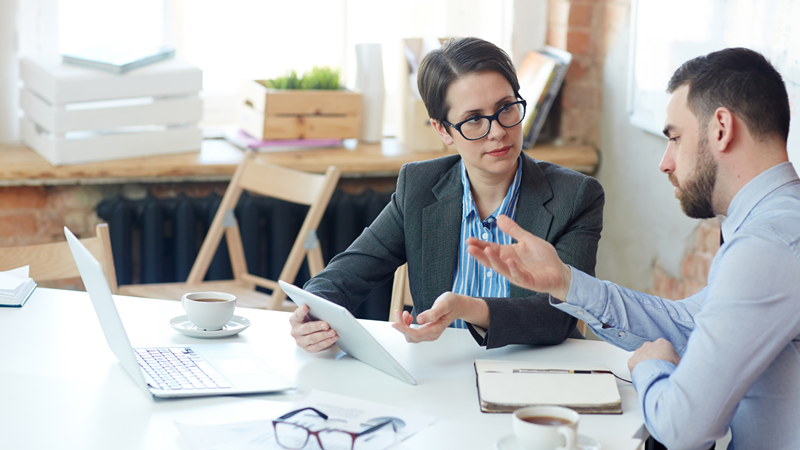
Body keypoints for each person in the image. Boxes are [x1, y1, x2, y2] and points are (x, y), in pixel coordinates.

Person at [467, 47, 800, 450]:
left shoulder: (767, 247)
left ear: (721, 128)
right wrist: (566, 282)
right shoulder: (778, 227)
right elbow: (689, 322)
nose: (665, 162)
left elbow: (682, 429)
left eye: (676, 138)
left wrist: (652, 367)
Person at [289, 37, 605, 352]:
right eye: (474, 119)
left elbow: (558, 316)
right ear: (443, 131)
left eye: (506, 108)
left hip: (539, 376)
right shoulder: (419, 186)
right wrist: (311, 315)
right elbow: (347, 273)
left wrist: (469, 308)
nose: (497, 131)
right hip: (441, 373)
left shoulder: (575, 196)